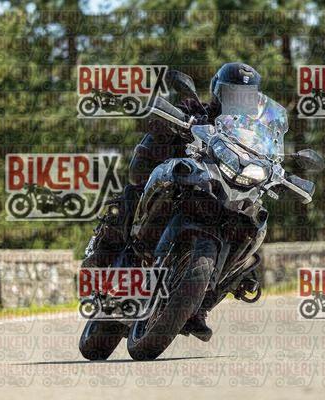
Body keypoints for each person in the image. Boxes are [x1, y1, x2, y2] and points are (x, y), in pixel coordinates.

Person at [84, 62, 262, 342]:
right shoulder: (196, 110)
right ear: (218, 92)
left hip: (223, 196)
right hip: (184, 182)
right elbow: (160, 120)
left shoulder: (253, 136)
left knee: (251, 227)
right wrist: (173, 120)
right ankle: (104, 254)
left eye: (246, 97)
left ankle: (199, 304)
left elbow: (269, 153)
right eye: (233, 94)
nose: (238, 102)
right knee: (132, 196)